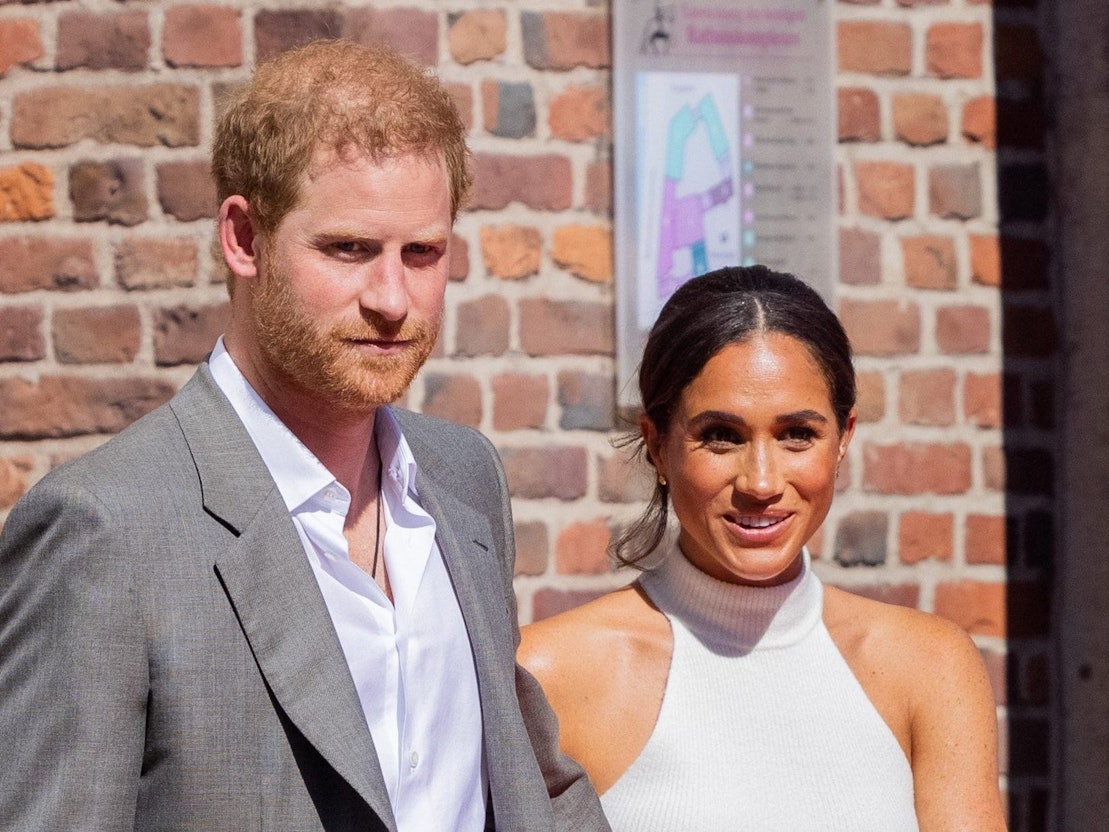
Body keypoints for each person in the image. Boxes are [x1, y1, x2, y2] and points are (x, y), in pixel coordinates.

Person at [0, 40, 608, 832]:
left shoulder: (463, 477)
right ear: (243, 238)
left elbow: (526, 785)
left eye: (422, 252)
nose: (393, 297)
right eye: (349, 249)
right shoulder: (104, 528)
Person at [519, 266, 1007, 831]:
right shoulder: (546, 675)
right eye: (721, 436)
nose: (761, 481)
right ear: (657, 445)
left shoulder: (932, 668)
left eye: (798, 434)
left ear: (844, 438)